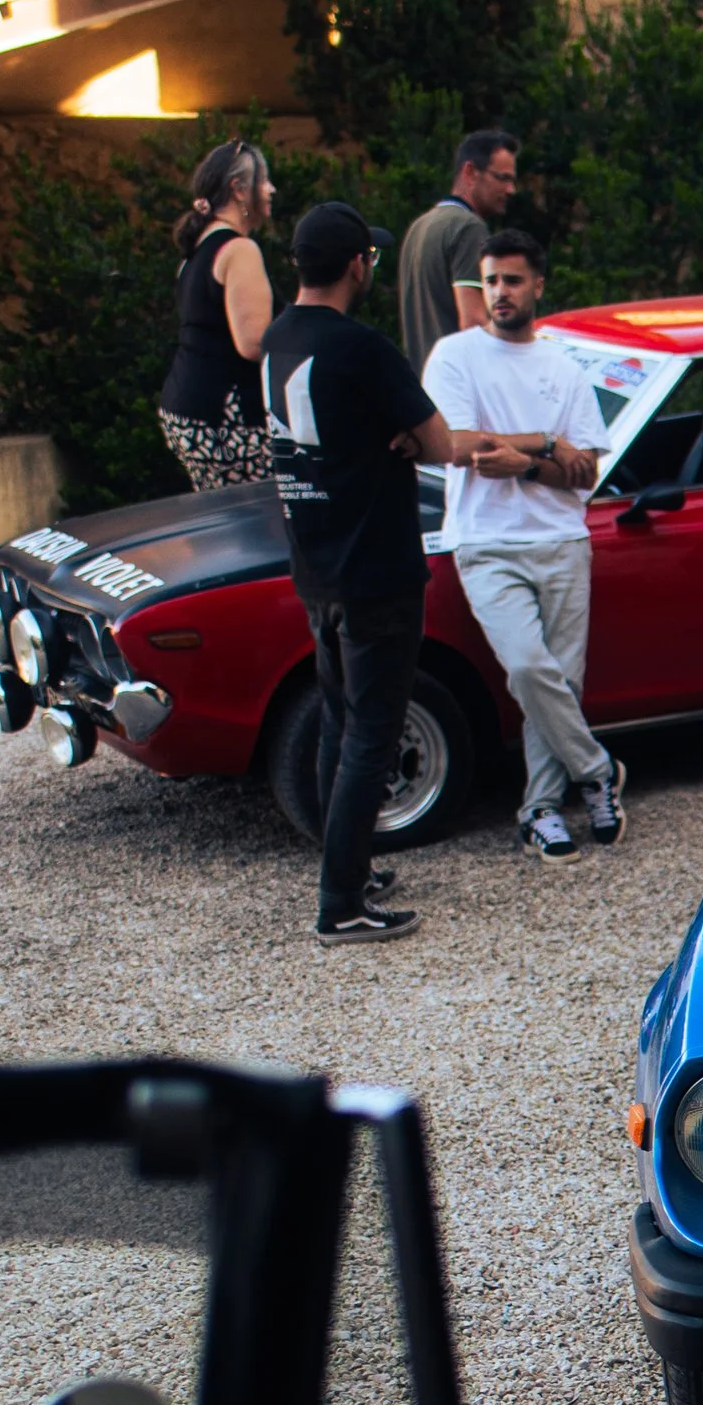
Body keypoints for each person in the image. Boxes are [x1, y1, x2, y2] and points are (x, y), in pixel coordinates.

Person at [263, 201, 454, 947]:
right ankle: (340, 902)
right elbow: (437, 442)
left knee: (339, 723)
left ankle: (347, 867)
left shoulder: (278, 338)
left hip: (316, 563)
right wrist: (405, 437)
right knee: (373, 733)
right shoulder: (363, 348)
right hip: (376, 565)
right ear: (356, 266)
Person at [421, 228, 620, 861]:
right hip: (485, 541)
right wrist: (544, 443)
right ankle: (599, 771)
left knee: (560, 681)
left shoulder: (565, 368)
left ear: (538, 286)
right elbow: (460, 446)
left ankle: (539, 811)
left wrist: (531, 464)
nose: (499, 293)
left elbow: (585, 471)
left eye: (511, 280)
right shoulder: (455, 356)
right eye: (490, 281)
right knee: (530, 670)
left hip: (562, 538)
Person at [158, 138, 276, 488]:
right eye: (264, 180)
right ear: (239, 190)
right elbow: (254, 343)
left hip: (187, 411)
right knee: (260, 524)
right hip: (229, 419)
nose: (271, 189)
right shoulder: (240, 250)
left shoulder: (194, 253)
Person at [397, 128, 520, 373]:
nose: (510, 190)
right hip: (456, 389)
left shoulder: (420, 226)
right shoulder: (469, 228)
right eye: (502, 178)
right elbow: (473, 323)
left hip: (422, 388)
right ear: (470, 172)